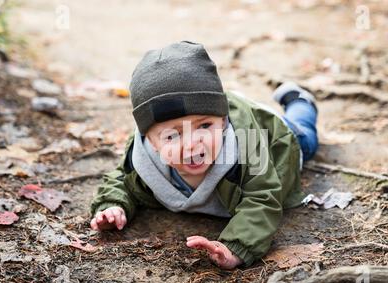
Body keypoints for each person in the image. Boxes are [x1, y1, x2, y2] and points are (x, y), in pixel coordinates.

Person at [89, 41, 318, 269]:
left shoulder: (248, 143)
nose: (192, 143)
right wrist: (112, 206)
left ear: (223, 121)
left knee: (305, 135)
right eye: (172, 136)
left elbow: (262, 197)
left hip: (278, 139)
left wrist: (236, 247)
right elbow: (122, 178)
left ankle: (301, 102)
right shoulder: (140, 157)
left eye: (204, 126)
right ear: (150, 141)